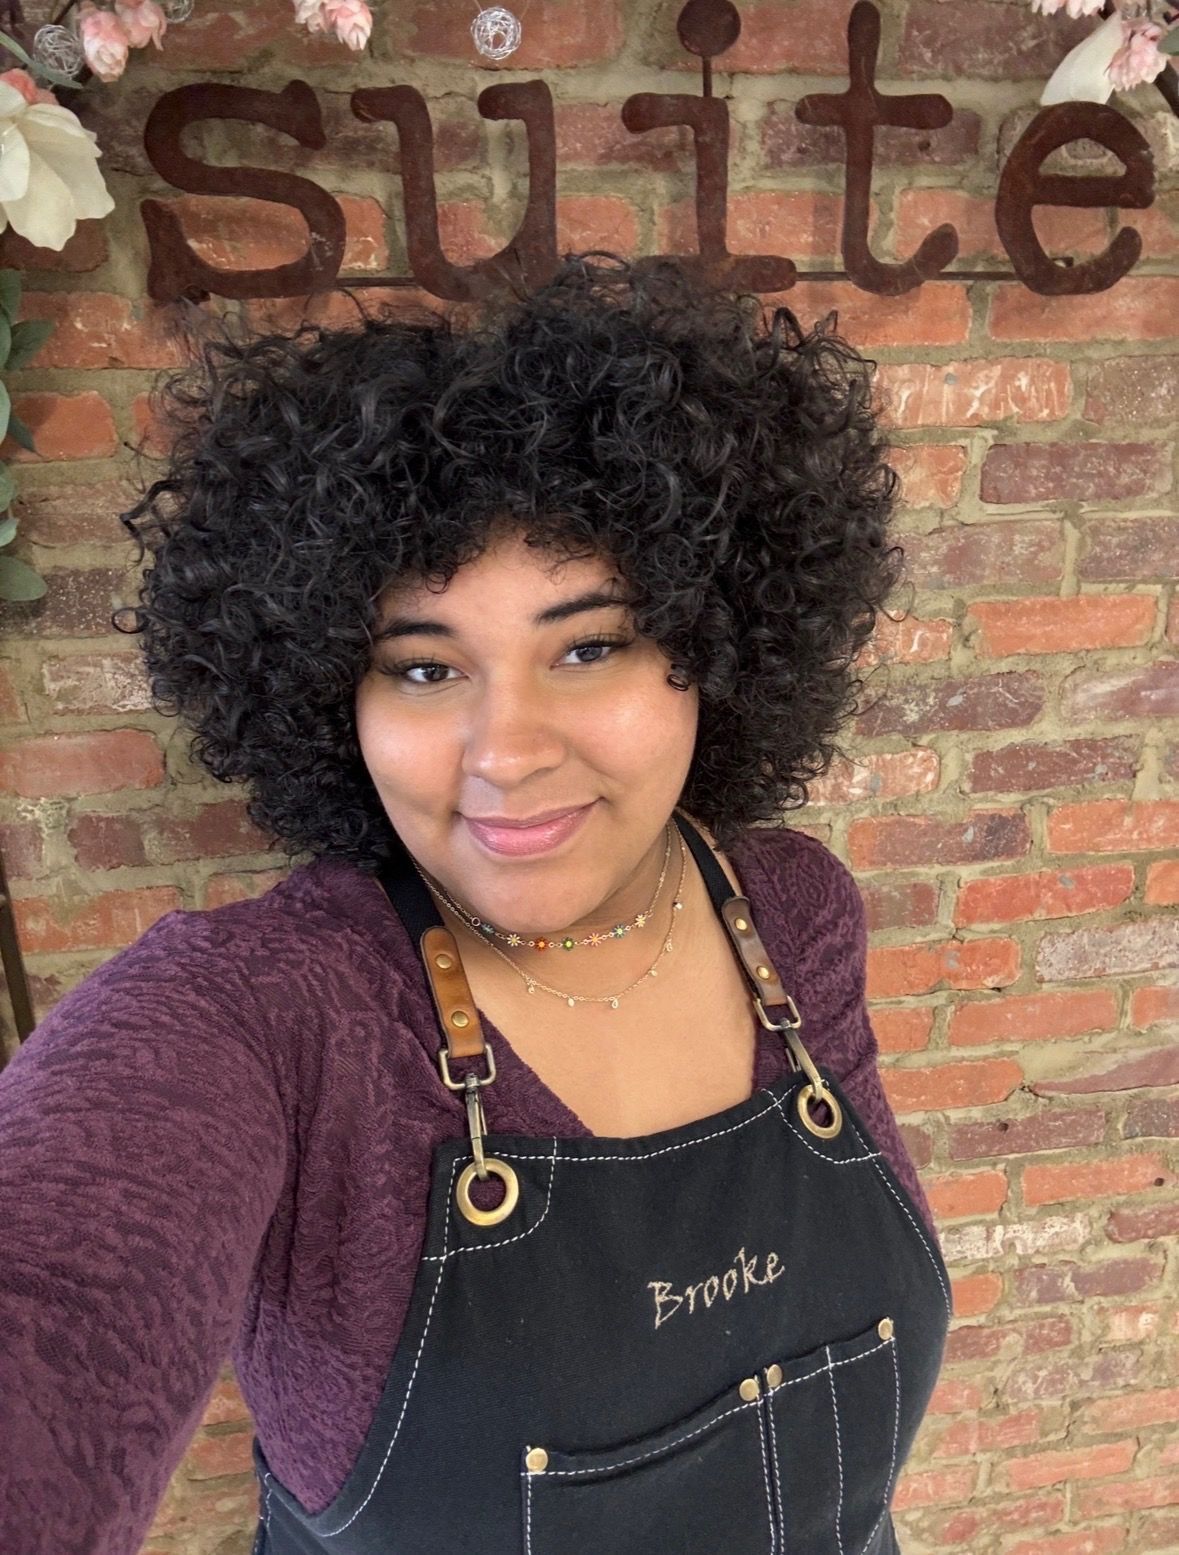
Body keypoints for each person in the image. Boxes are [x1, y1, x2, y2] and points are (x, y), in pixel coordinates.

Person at [0, 250, 951, 1555]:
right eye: (427, 670)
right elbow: (53, 1299)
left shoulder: (796, 915)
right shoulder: (267, 1017)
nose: (507, 750)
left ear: (713, 648)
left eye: (590, 645)